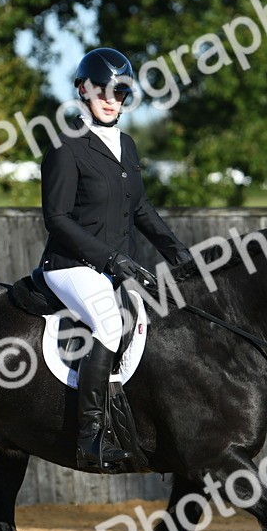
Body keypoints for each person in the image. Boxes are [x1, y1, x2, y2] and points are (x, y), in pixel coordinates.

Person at [39, 47, 192, 469]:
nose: (111, 100)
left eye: (120, 93)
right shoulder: (66, 145)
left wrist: (177, 252)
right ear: (83, 91)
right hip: (70, 266)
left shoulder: (126, 145)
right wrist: (109, 258)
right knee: (108, 323)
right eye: (102, 92)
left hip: (113, 267)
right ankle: (90, 437)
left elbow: (140, 208)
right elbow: (56, 219)